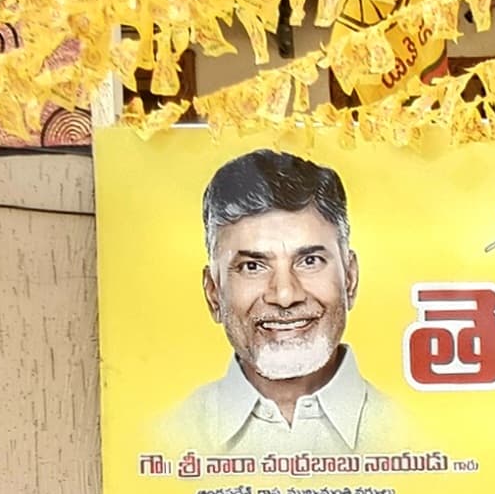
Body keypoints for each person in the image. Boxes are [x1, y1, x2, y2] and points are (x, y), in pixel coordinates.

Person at [159, 147, 390, 454]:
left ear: (350, 278)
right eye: (252, 266)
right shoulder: (166, 440)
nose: (285, 295)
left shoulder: (417, 436)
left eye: (309, 261)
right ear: (213, 292)